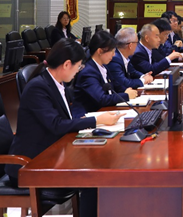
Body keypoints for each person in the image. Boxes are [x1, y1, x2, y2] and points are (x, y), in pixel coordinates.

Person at [6, 39, 120, 217]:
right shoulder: (38, 87)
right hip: (31, 163)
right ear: (67, 64)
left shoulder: (58, 84)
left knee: (98, 168)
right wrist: (95, 121)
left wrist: (88, 121)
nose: (78, 71)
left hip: (51, 153)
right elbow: (56, 125)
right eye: (79, 67)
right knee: (93, 178)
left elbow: (62, 120)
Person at [73, 31, 137, 116]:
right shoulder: (88, 72)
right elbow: (102, 99)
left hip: (104, 111)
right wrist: (126, 95)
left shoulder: (104, 67)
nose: (114, 55)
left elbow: (116, 86)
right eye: (112, 51)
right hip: (87, 117)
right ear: (100, 51)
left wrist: (126, 90)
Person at [107, 27, 153, 92]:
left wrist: (143, 76)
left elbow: (132, 71)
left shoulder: (124, 56)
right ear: (130, 45)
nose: (137, 45)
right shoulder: (114, 59)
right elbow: (124, 83)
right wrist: (143, 80)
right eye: (137, 43)